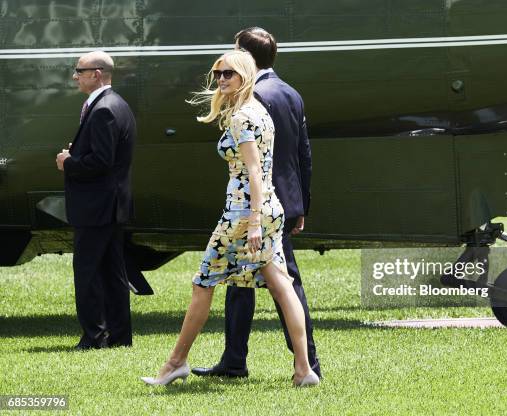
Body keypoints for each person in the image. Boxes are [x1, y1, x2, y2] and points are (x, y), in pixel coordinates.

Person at [140, 50, 319, 387]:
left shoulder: (241, 118)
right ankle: (304, 368)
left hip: (243, 214)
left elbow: (253, 171)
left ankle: (175, 363)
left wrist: (251, 221)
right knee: (282, 285)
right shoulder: (260, 112)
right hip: (269, 208)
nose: (221, 80)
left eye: (228, 74)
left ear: (245, 76)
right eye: (218, 74)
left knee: (202, 283)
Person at [192, 27, 321, 380]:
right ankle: (237, 360)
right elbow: (303, 153)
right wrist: (301, 204)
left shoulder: (252, 96)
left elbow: (254, 162)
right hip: (283, 201)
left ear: (245, 58)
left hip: (257, 206)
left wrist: (254, 213)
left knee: (281, 285)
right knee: (248, 285)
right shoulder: (290, 92)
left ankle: (306, 363)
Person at [55, 51, 136, 350]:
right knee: (113, 273)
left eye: (79, 70)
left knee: (88, 274)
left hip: (97, 207)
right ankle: (118, 335)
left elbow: (101, 161)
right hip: (110, 206)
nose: (75, 76)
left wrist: (69, 162)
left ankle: (94, 336)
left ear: (97, 74)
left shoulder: (103, 109)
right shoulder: (117, 104)